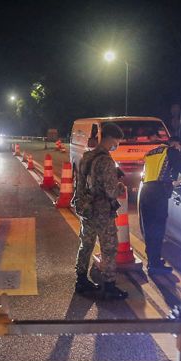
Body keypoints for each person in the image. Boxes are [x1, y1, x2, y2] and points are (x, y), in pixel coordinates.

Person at [72, 123, 129, 300]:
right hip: (102, 211)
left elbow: (80, 183)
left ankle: (81, 280)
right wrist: (120, 186)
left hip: (86, 208)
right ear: (110, 139)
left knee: (86, 244)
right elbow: (111, 191)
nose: (117, 145)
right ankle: (109, 286)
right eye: (117, 141)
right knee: (109, 248)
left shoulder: (87, 156)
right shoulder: (106, 160)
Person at [138, 136, 181, 274]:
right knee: (158, 229)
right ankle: (155, 265)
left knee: (149, 228)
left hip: (146, 190)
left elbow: (149, 174)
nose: (179, 152)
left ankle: (153, 260)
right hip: (158, 193)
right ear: (176, 144)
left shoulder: (151, 152)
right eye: (180, 149)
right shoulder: (171, 151)